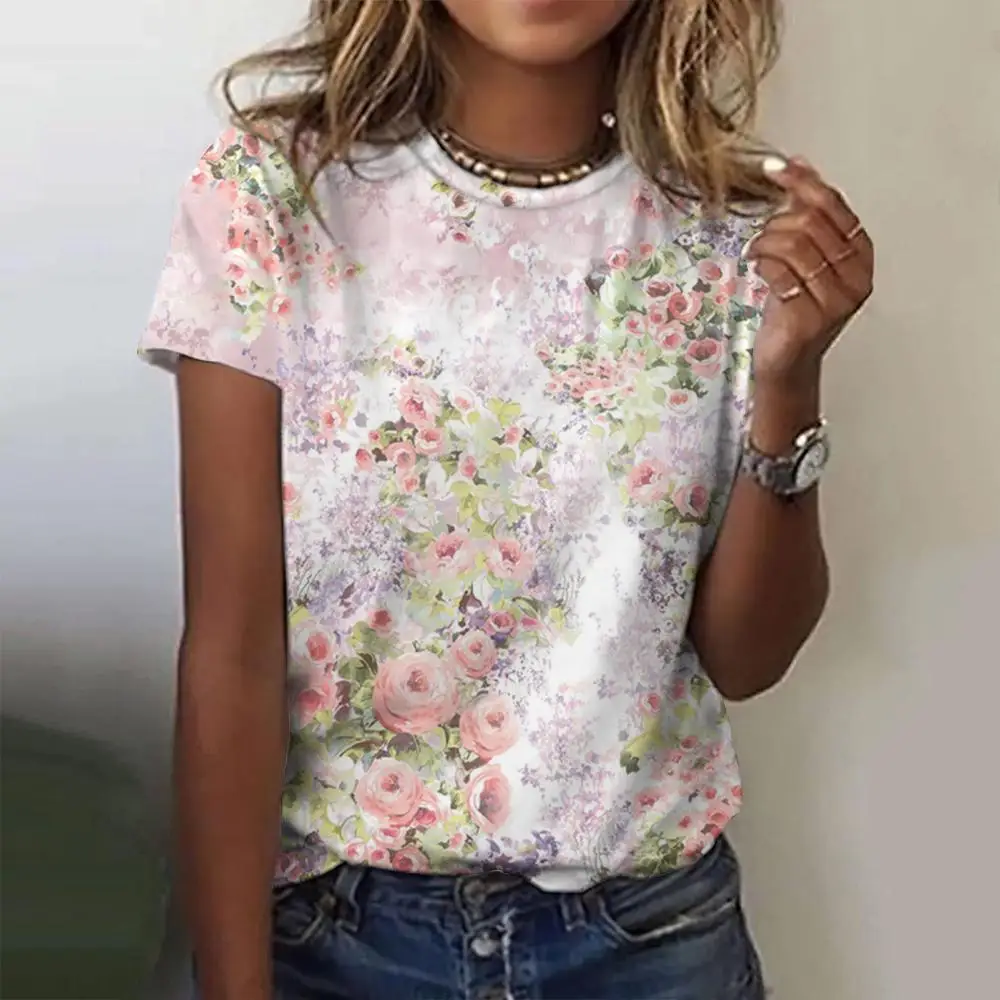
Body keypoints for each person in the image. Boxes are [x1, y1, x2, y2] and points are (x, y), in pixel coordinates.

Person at [140, 1, 874, 998]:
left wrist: (789, 381)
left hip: (648, 940)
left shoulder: (738, 230)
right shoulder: (273, 194)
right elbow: (231, 652)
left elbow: (747, 658)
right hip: (336, 940)